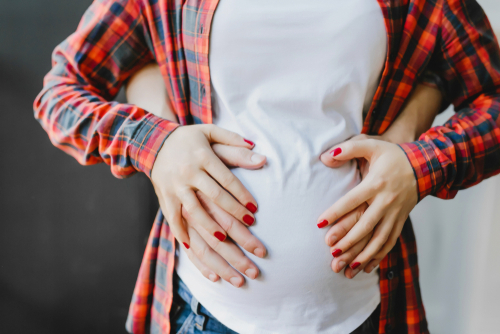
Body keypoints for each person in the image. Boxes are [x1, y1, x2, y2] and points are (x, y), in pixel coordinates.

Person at [33, 0, 500, 333]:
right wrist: (158, 144)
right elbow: (61, 91)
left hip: (367, 313)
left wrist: (419, 166)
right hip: (205, 313)